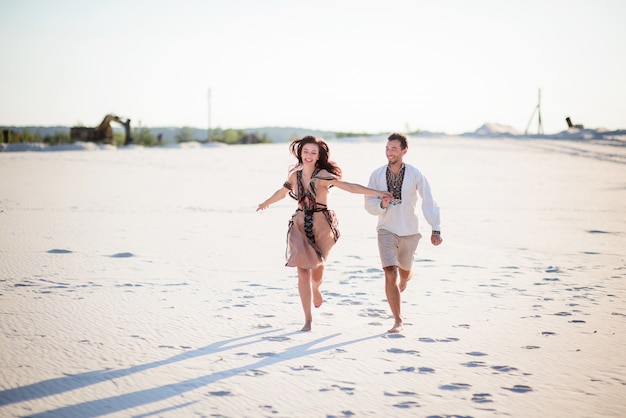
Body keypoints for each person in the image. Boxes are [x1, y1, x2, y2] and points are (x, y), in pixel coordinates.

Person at [258, 135, 392, 332]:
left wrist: (378, 193)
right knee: (302, 271)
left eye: (313, 152)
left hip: (322, 225)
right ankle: (308, 320)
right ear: (300, 153)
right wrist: (266, 203)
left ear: (319, 155)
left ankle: (316, 288)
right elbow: (282, 191)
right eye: (306, 152)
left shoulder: (323, 176)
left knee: (317, 271)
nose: (309, 155)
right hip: (300, 224)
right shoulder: (295, 175)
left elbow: (350, 187)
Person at [365, 133, 443, 333]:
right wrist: (382, 204)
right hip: (386, 229)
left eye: (394, 149)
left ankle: (406, 278)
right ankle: (398, 320)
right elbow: (369, 204)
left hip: (410, 231)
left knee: (404, 272)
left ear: (404, 151)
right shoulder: (376, 174)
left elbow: (428, 200)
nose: (389, 152)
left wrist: (435, 228)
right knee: (390, 273)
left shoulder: (415, 173)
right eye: (387, 148)